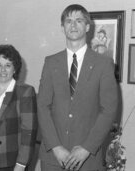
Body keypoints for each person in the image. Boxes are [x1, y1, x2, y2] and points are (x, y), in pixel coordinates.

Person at [37, 4, 118, 171]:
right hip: (53, 158)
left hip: (87, 159)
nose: (73, 25)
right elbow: (42, 107)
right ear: (62, 28)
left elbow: (108, 110)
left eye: (78, 20)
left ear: (88, 27)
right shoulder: (51, 62)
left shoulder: (103, 64)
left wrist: (87, 148)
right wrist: (56, 147)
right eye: (68, 21)